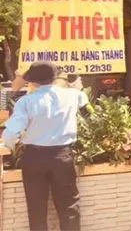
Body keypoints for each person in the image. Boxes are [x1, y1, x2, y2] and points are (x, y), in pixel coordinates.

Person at [1, 61, 89, 231]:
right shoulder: (73, 95)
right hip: (62, 156)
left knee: (36, 208)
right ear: (55, 77)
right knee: (69, 206)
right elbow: (84, 102)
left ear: (33, 81)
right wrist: (74, 85)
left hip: (34, 158)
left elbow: (11, 133)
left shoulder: (26, 102)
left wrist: (10, 147)